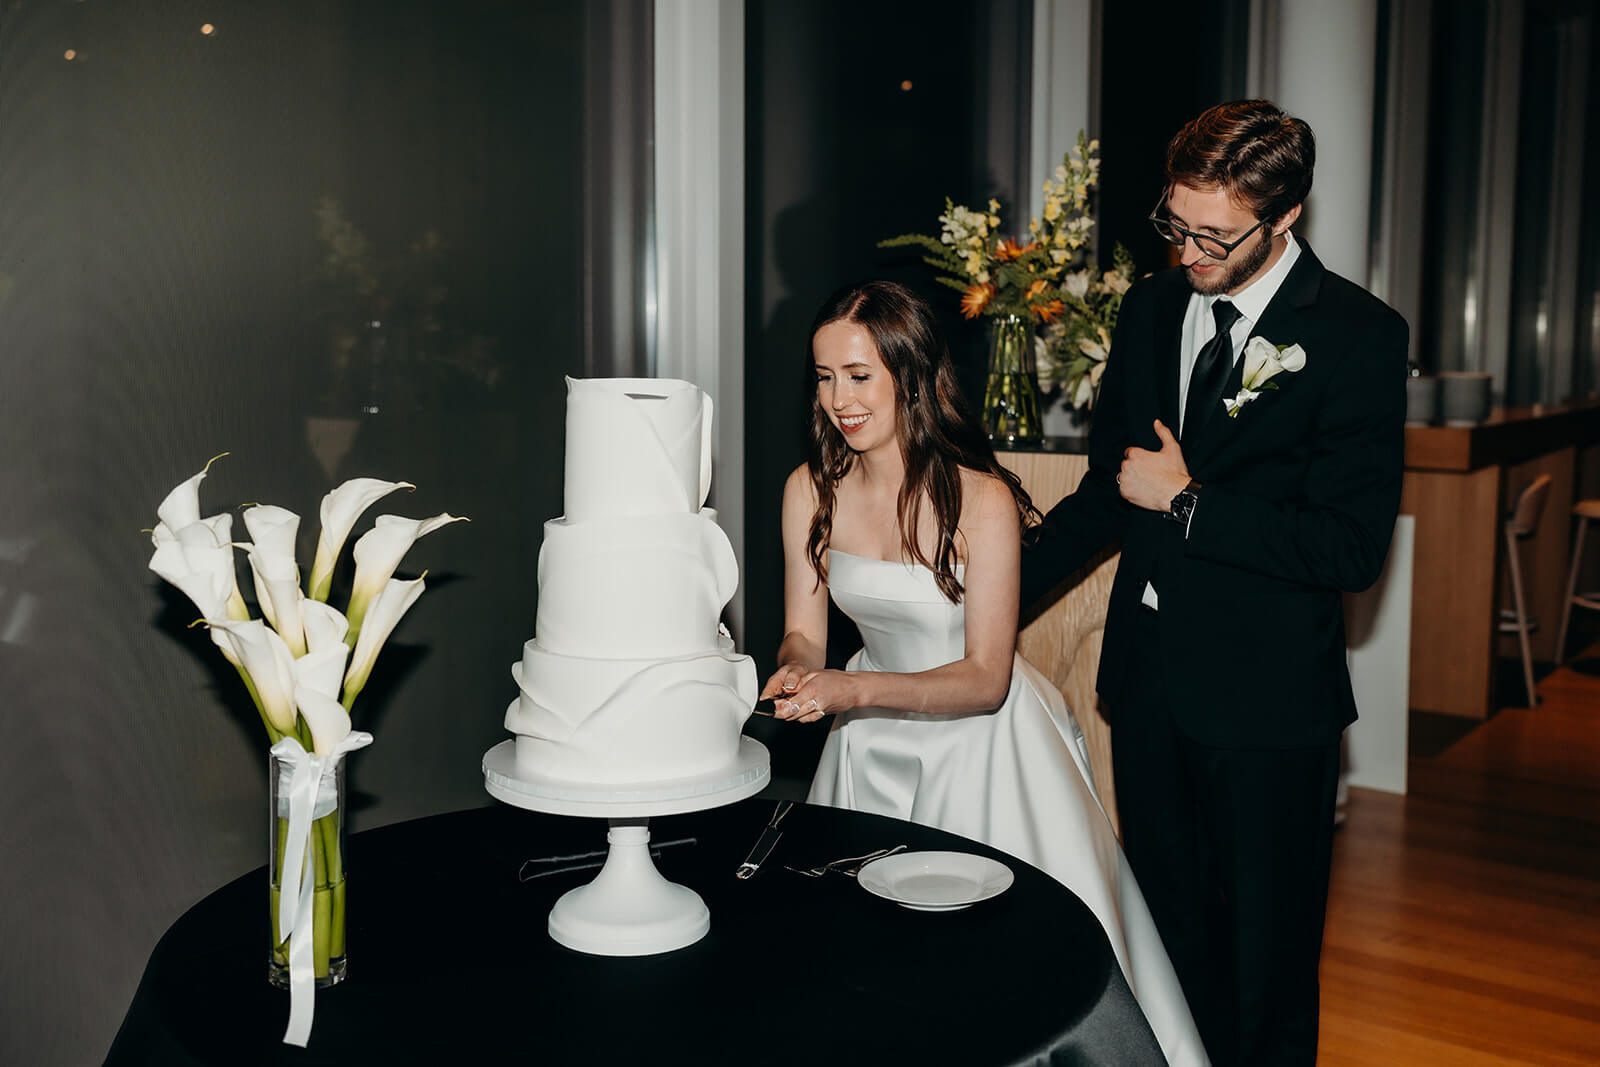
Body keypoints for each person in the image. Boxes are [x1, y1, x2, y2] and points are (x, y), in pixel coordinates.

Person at [1019, 99, 1408, 1065]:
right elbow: (1114, 489)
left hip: (1270, 703)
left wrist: (1189, 502)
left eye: (1215, 236)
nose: (1189, 252)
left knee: (1268, 966)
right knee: (1168, 941)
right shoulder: (1151, 309)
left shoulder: (1358, 334)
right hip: (1148, 683)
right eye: (1176, 224)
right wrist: (990, 597)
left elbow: (1350, 548)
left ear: (1285, 217)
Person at [762, 279, 1208, 1067]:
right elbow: (804, 632)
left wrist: (850, 690)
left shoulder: (983, 499)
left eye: (859, 376)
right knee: (869, 968)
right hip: (868, 749)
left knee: (1002, 968)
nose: (838, 399)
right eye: (825, 377)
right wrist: (796, 672)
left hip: (987, 748)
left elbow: (985, 678)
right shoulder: (810, 489)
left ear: (911, 375)